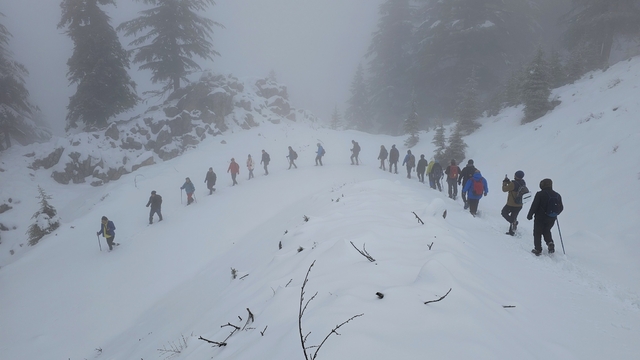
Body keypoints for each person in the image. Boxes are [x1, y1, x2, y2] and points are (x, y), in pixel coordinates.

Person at [526, 178, 563, 256]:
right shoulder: (557, 195)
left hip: (540, 217)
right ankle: (550, 243)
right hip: (552, 217)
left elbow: (534, 206)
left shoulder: (540, 194)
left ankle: (538, 249)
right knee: (546, 230)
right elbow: (561, 208)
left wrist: (530, 215)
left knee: (537, 232)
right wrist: (555, 214)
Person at [502, 170, 527, 236]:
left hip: (511, 204)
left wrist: (504, 182)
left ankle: (513, 222)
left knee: (504, 212)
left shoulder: (513, 184)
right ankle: (511, 230)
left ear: (515, 175)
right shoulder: (523, 183)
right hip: (519, 204)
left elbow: (504, 189)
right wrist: (509, 182)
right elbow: (514, 186)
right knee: (514, 216)